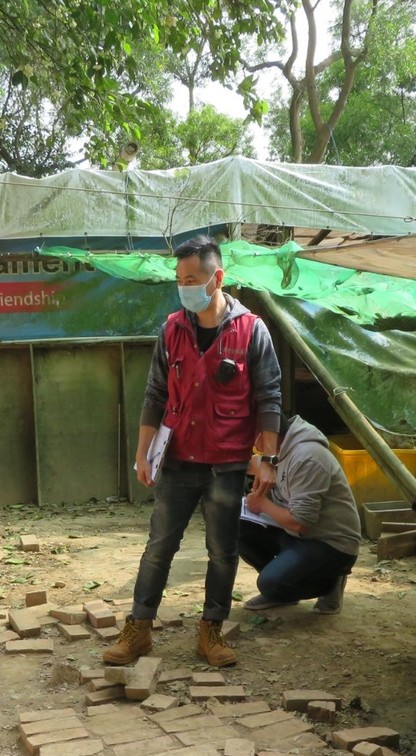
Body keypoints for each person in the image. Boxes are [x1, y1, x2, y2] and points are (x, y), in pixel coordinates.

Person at [103, 234, 282, 669]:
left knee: (222, 551)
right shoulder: (172, 329)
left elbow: (269, 397)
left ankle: (211, 631)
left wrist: (269, 460)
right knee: (159, 546)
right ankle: (139, 630)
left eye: (192, 278)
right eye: (179, 278)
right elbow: (155, 394)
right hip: (178, 458)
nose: (184, 286)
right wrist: (144, 453)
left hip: (227, 463)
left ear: (216, 277)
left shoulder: (251, 330)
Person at [238, 413, 361, 614]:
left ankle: (330, 582)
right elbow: (251, 463)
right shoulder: (279, 449)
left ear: (266, 435)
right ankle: (283, 590)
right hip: (295, 535)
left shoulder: (307, 457)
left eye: (250, 436)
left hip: (330, 543)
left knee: (270, 584)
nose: (250, 443)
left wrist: (261, 503)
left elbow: (300, 523)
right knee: (234, 524)